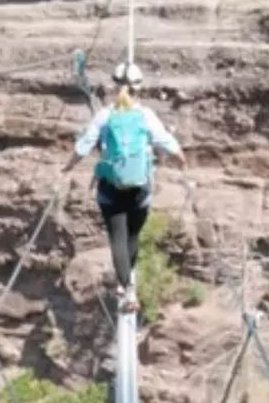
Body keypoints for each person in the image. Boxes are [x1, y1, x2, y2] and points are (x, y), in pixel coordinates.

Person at [60, 61, 188, 313]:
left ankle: (126, 289)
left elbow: (83, 146)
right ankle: (127, 283)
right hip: (140, 189)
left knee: (117, 237)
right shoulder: (146, 116)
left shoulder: (105, 116)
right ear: (139, 89)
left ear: (113, 87)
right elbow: (168, 143)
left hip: (111, 188)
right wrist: (183, 162)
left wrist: (67, 168)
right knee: (132, 236)